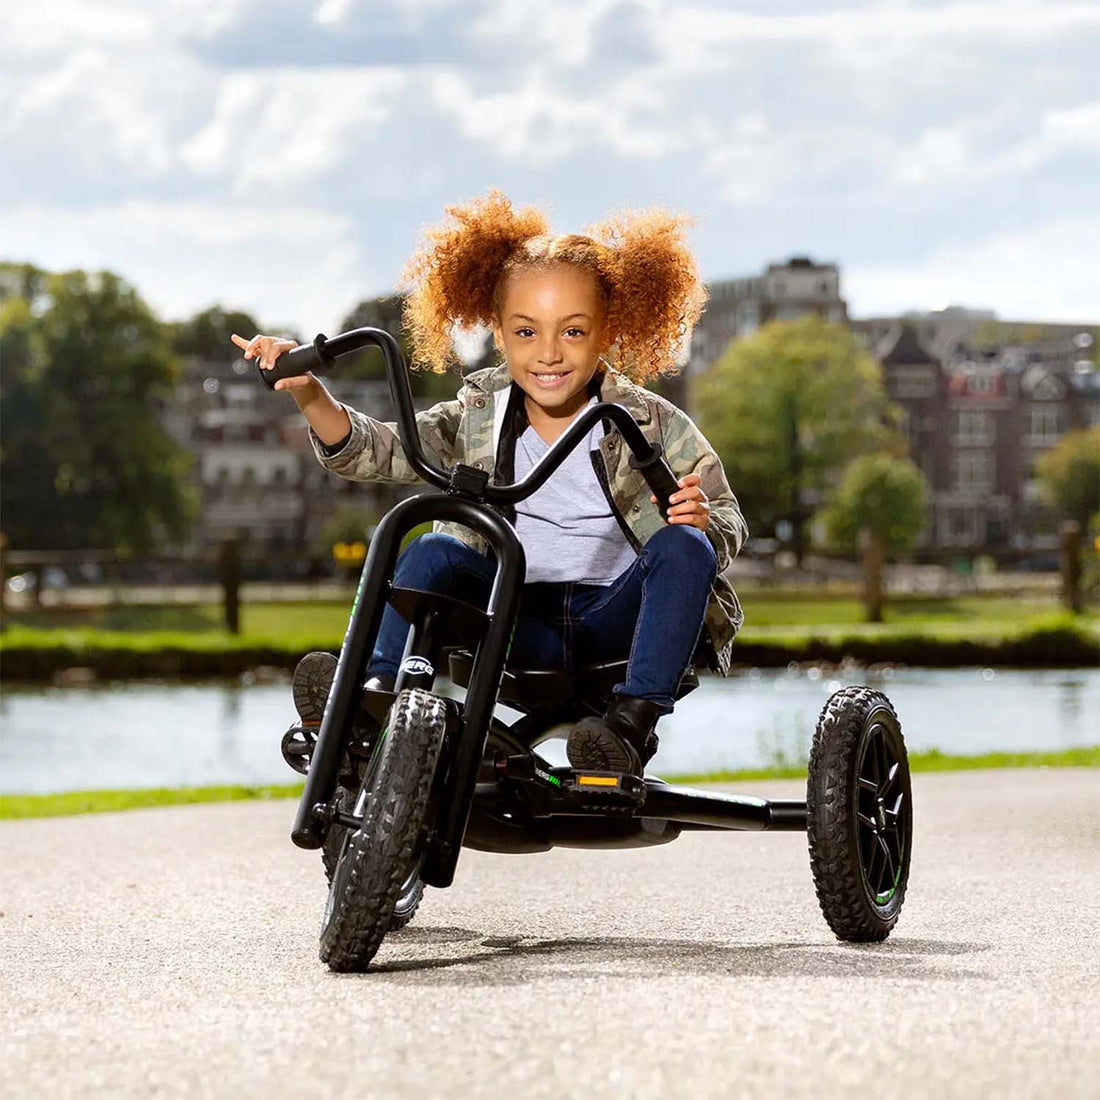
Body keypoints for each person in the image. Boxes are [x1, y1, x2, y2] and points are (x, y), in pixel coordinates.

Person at [231, 189, 747, 778]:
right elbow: (382, 451)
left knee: (684, 545)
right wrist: (309, 393)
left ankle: (627, 728)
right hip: (511, 621)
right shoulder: (481, 413)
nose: (549, 353)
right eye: (526, 333)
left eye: (573, 332)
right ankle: (369, 695)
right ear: (497, 334)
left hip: (618, 624)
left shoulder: (651, 422)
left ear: (607, 333)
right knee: (429, 548)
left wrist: (701, 519)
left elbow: (727, 522)